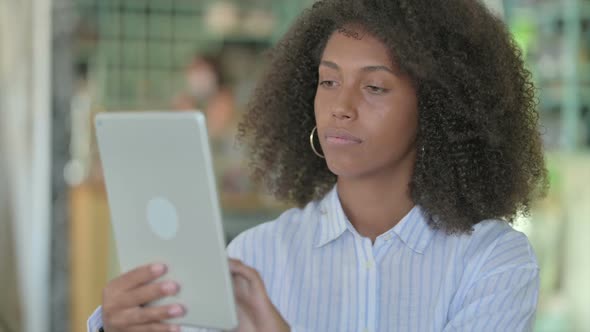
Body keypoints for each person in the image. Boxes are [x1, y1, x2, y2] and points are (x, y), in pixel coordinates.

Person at [88, 0, 548, 331]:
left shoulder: (491, 262)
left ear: (438, 107)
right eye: (328, 81)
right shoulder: (254, 260)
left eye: (375, 87)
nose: (340, 107)